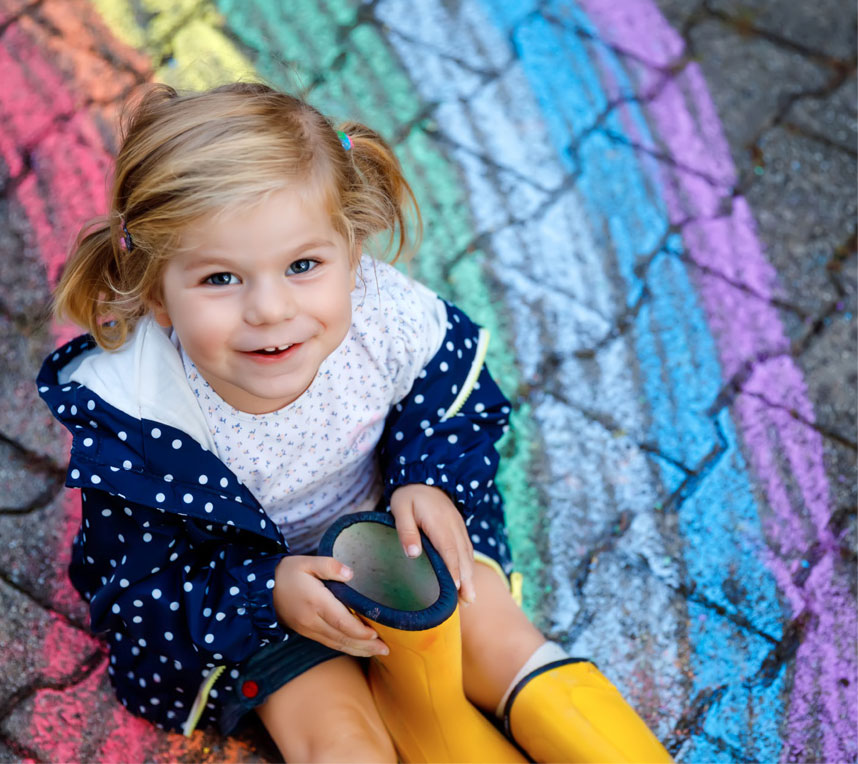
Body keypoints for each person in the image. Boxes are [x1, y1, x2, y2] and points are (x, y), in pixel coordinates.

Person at [38, 82, 671, 763]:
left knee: (504, 645)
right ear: (158, 294)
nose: (271, 310)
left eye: (304, 265)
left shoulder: (384, 320)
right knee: (339, 742)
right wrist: (268, 593)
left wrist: (427, 481)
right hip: (260, 605)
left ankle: (469, 714)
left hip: (394, 539)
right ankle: (411, 711)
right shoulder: (139, 419)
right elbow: (138, 589)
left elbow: (455, 403)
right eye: (221, 279)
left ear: (351, 250)